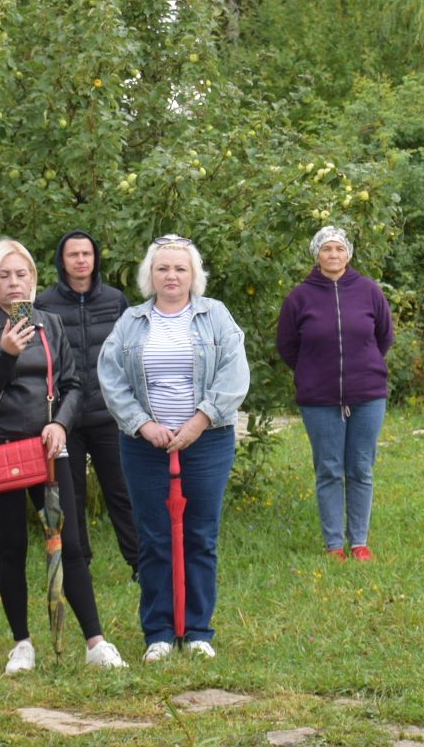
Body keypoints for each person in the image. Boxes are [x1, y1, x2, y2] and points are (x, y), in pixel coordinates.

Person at [0, 237, 125, 671]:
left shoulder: (49, 325)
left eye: (22, 274)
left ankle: (95, 643)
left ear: (33, 279)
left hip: (50, 448)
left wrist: (60, 424)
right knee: (12, 546)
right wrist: (6, 355)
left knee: (68, 544)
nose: (14, 284)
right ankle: (22, 644)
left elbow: (73, 385)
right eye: (4, 275)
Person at [98, 234, 250, 662]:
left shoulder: (215, 316)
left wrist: (199, 420)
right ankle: (159, 634)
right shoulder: (131, 321)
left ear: (193, 275)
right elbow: (110, 378)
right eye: (163, 268)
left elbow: (234, 374)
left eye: (180, 268)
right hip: (145, 446)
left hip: (207, 441)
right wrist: (143, 424)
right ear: (150, 274)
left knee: (201, 536)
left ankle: (199, 630)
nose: (171, 275)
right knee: (154, 539)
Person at [276, 225, 394, 562]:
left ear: (348, 254)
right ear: (316, 255)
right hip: (319, 399)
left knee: (360, 467)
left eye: (339, 249)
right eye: (326, 249)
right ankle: (333, 546)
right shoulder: (299, 297)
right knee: (328, 469)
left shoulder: (369, 291)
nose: (333, 255)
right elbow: (287, 345)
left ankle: (358, 542)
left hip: (367, 395)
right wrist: (310, 372)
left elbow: (383, 336)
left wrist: (364, 367)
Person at [34, 231, 140, 576]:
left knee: (122, 493)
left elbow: (131, 351)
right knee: (70, 497)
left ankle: (140, 563)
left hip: (109, 414)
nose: (81, 260)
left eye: (87, 254)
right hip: (64, 419)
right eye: (73, 254)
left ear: (95, 259)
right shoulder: (43, 304)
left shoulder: (115, 300)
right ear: (61, 261)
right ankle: (80, 565)